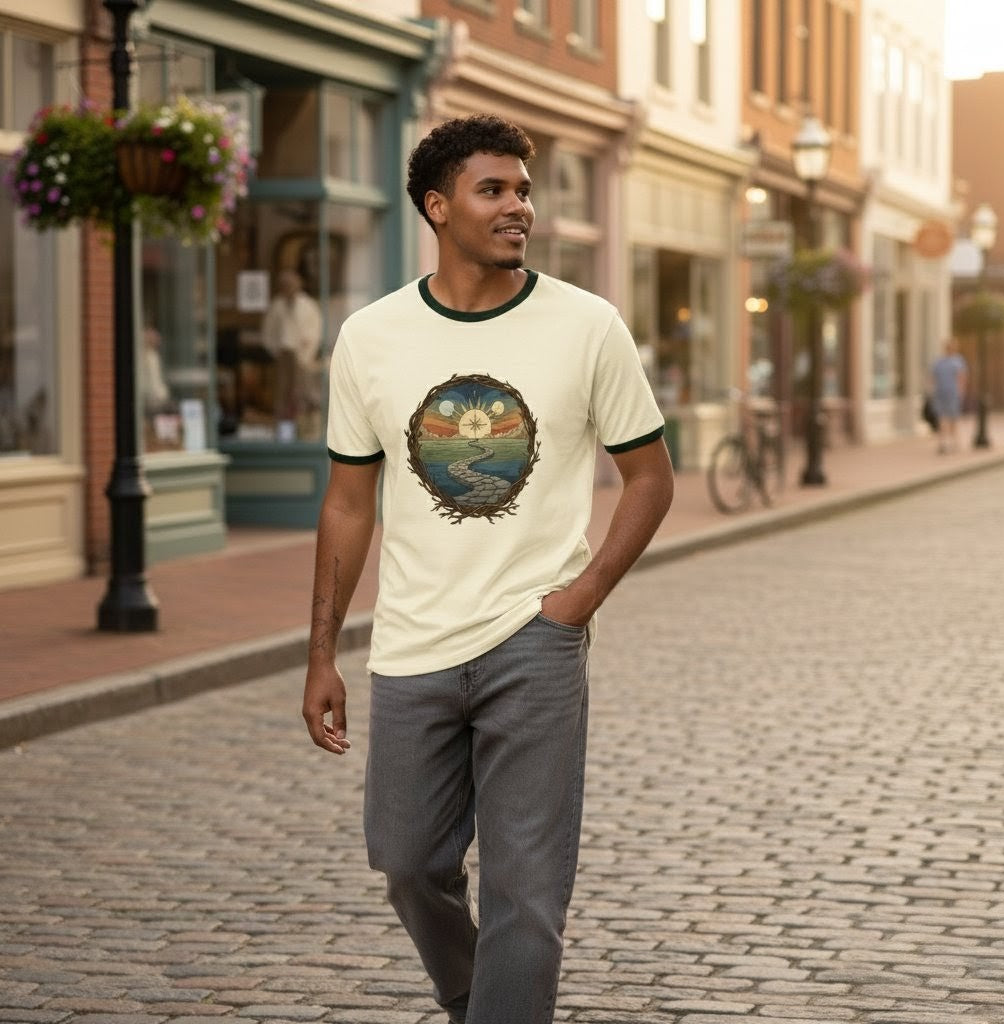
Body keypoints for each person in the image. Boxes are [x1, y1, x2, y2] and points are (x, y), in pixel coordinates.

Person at [301, 114, 674, 1024]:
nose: (520, 208)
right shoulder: (371, 337)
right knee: (406, 860)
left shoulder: (587, 326)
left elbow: (651, 479)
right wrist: (321, 654)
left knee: (527, 890)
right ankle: (481, 999)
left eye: (524, 190)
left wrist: (576, 602)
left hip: (533, 645)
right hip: (414, 643)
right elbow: (349, 503)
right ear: (438, 207)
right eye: (494, 190)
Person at [261, 267, 323, 433]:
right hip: (283, 356)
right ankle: (284, 433)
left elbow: (315, 332)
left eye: (291, 284)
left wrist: (305, 355)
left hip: (302, 358)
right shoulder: (277, 306)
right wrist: (278, 352)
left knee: (303, 396)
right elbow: (268, 333)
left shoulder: (308, 305)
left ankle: (305, 432)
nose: (288, 287)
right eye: (284, 284)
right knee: (282, 397)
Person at [930, 338, 968, 453]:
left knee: (943, 418)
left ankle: (943, 443)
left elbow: (932, 379)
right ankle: (954, 443)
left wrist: (933, 391)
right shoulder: (957, 362)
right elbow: (962, 378)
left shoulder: (938, 362)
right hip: (952, 393)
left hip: (940, 392)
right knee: (953, 419)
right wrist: (961, 392)